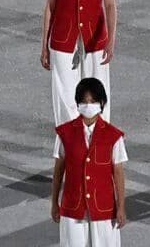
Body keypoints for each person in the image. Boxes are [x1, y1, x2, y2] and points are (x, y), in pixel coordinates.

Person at [50, 78, 128, 246]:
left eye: (93, 101)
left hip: (104, 209)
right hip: (72, 208)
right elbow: (58, 172)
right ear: (77, 104)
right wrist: (54, 203)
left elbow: (118, 174)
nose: (88, 105)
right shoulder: (64, 133)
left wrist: (121, 207)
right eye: (84, 101)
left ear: (101, 103)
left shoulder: (113, 136)